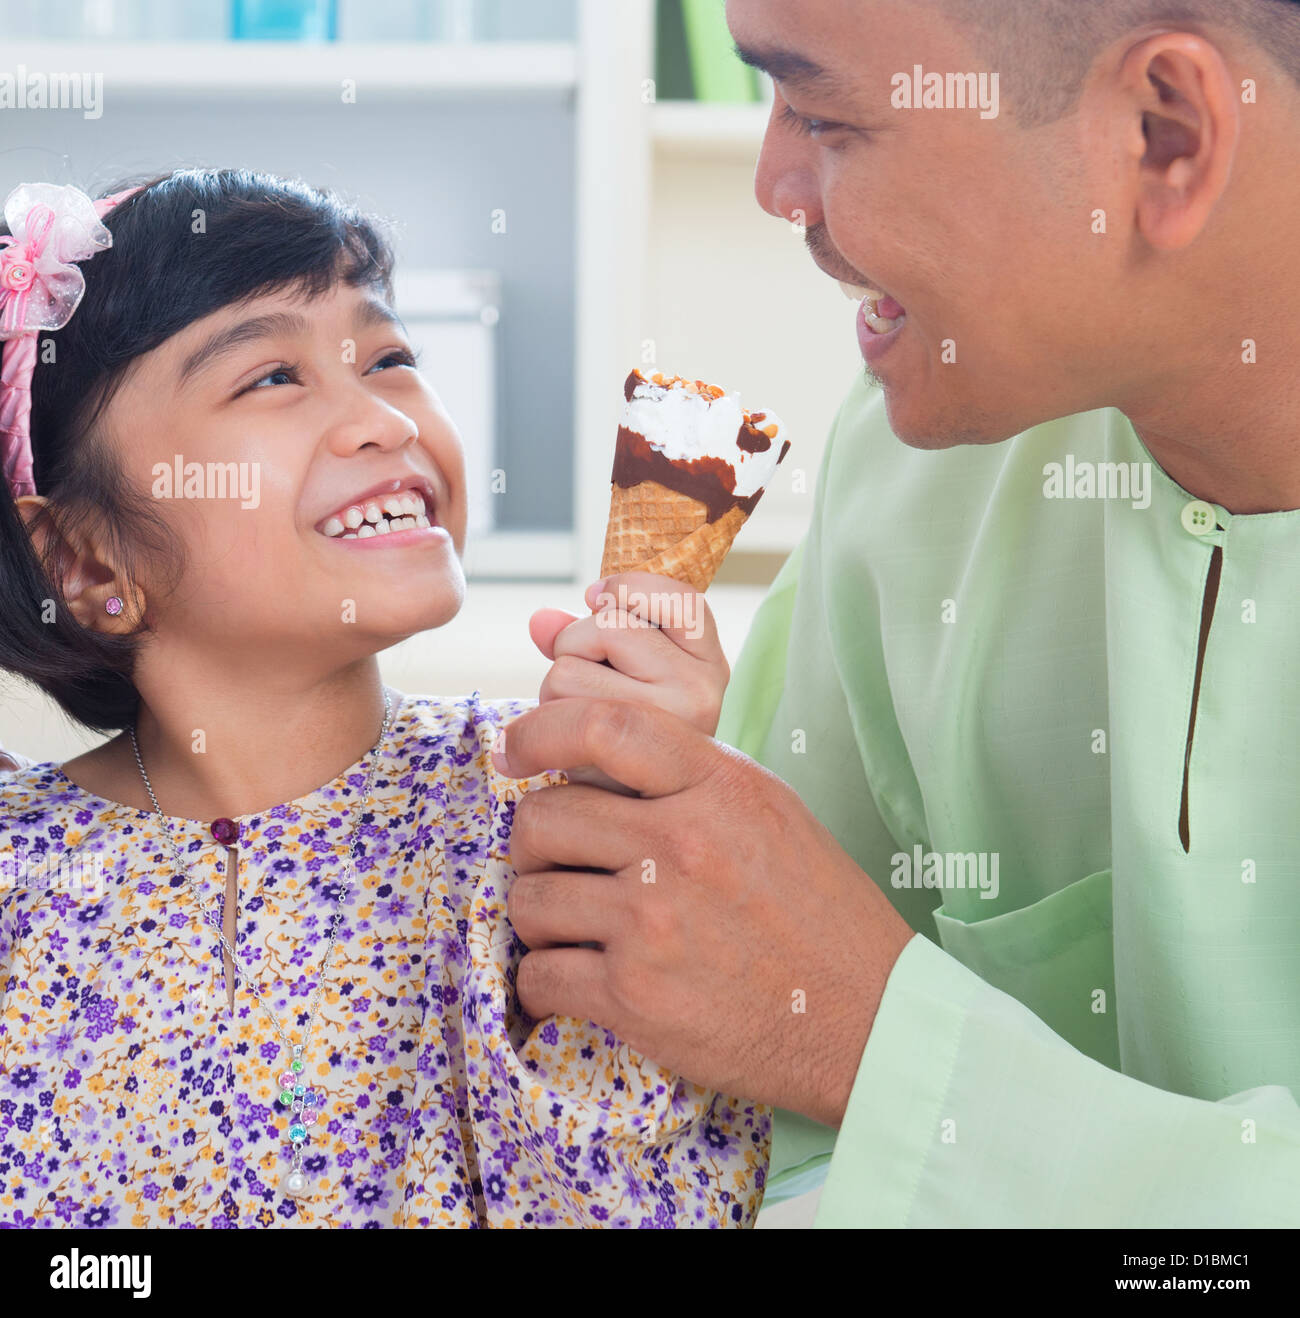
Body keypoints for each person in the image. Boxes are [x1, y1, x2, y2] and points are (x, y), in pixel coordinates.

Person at [496, 0, 1300, 1225]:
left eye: (825, 116)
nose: (776, 185)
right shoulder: (912, 469)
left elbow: (816, 1038)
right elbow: (760, 1129)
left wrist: (875, 1043)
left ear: (1163, 132)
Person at [0, 169, 769, 1228]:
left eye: (391, 359)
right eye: (272, 376)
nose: (380, 420)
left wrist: (634, 820)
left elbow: (650, 1205)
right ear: (87, 562)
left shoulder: (541, 821)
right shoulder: (18, 874)